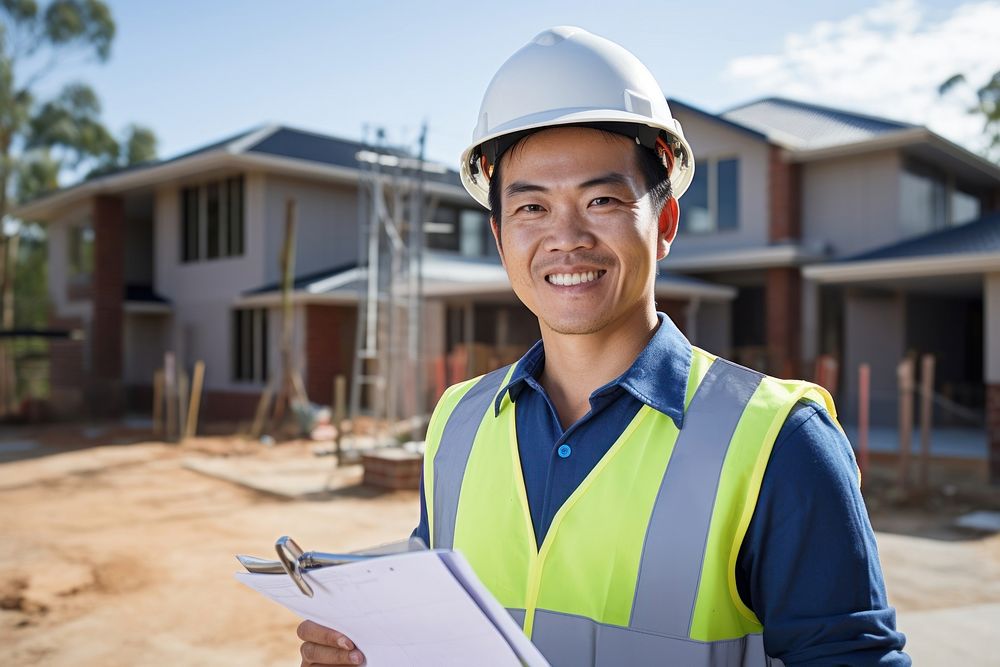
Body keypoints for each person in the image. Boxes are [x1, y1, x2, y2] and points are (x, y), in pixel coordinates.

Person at [297, 26, 910, 666]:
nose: (566, 237)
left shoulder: (778, 441)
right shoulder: (457, 423)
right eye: (531, 208)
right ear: (501, 238)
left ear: (665, 222)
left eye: (602, 199)